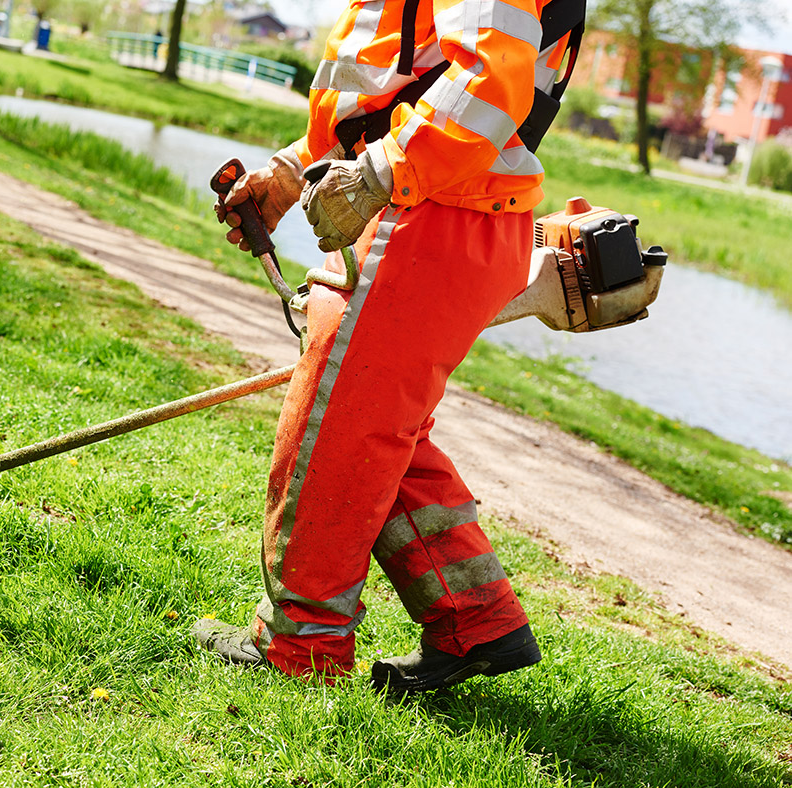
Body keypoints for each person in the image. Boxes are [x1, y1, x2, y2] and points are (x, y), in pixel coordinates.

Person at [195, 0, 578, 694]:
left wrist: (378, 172)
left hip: (429, 211)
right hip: (440, 206)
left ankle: (299, 645)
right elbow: (393, 84)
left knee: (335, 436)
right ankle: (476, 617)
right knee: (371, 426)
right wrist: (293, 171)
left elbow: (489, 80)